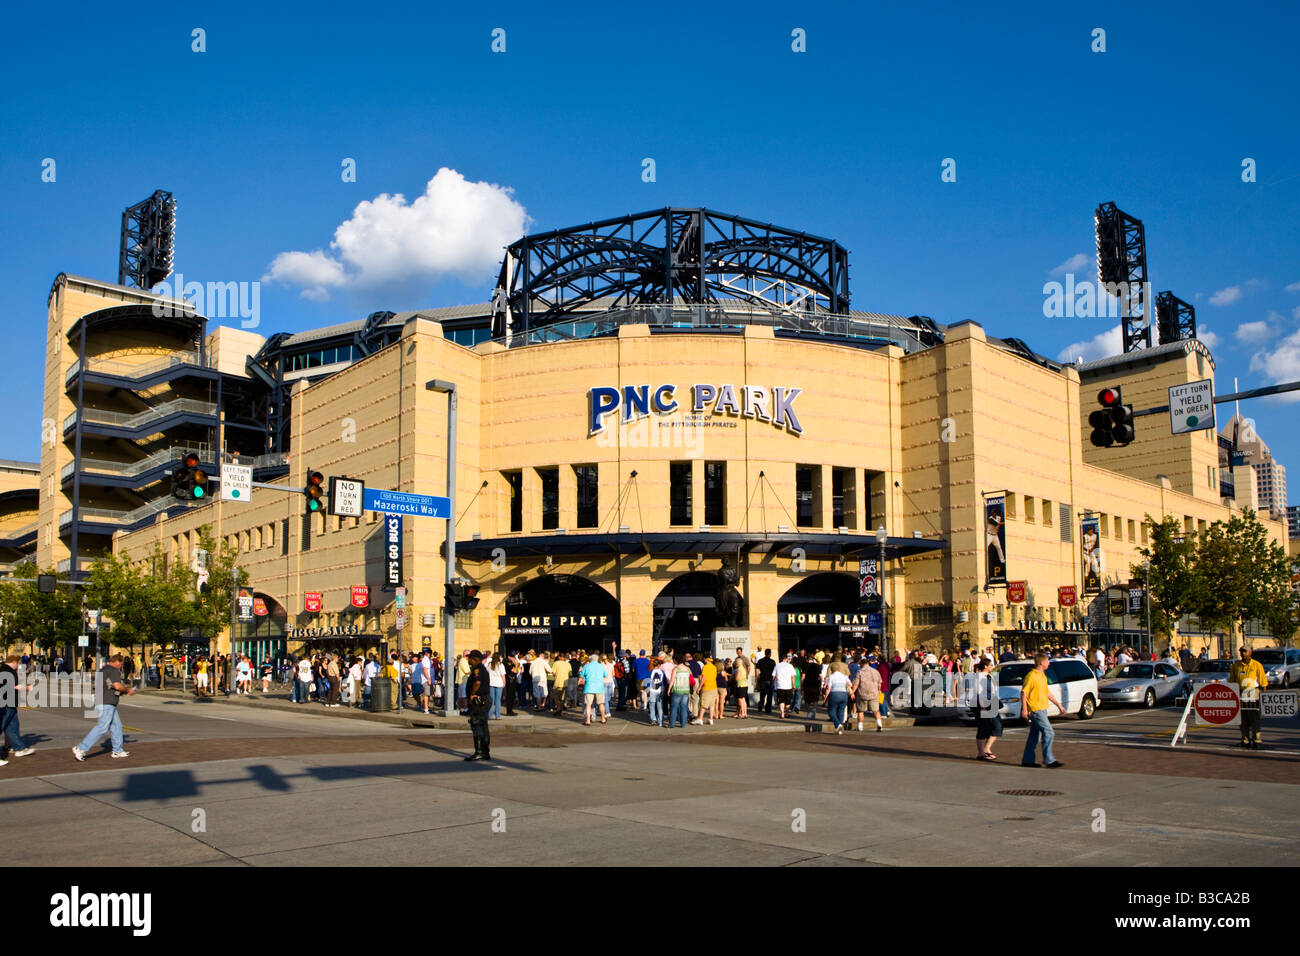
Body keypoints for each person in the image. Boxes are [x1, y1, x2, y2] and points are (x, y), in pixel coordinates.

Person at [73, 653, 136, 761]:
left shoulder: (103, 670)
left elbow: (107, 687)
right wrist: (128, 690)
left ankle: (118, 750)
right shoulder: (113, 670)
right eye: (121, 664)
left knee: (116, 726)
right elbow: (117, 686)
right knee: (102, 727)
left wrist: (120, 692)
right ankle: (80, 748)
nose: (121, 667)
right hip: (107, 703)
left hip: (102, 701)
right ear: (117, 662)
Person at [1020, 652, 1064, 768]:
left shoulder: (1042, 676)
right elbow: (1024, 692)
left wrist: (1058, 705)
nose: (1049, 663)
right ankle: (1049, 760)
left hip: (1042, 709)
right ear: (1041, 663)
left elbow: (1047, 692)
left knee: (1034, 735)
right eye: (1047, 661)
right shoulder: (1031, 676)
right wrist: (1024, 709)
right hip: (1035, 709)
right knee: (1049, 732)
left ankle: (1027, 760)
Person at [1229, 645, 1268, 749]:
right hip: (1240, 693)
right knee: (1242, 719)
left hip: (1253, 693)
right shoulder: (1236, 665)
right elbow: (1232, 681)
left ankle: (1256, 740)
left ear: (1250, 652)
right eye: (1241, 651)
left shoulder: (1256, 665)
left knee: (1254, 718)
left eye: (1245, 651)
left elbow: (1263, 682)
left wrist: (1264, 695)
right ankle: (1245, 740)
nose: (1243, 653)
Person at [0, 653, 36, 764]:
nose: (18, 665)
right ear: (14, 662)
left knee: (12, 726)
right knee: (4, 725)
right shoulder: (6, 671)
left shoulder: (6, 670)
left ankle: (18, 748)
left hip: (10, 704)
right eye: (18, 663)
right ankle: (17, 748)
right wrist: (22, 687)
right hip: (6, 704)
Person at [463, 650, 492, 761]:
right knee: (483, 725)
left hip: (479, 700)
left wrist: (472, 694)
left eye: (470, 659)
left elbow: (477, 683)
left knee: (477, 725)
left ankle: (479, 751)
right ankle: (485, 752)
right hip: (484, 699)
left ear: (474, 659)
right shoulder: (482, 668)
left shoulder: (477, 669)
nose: (469, 661)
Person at [973, 659, 1001, 760]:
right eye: (991, 665)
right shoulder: (979, 677)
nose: (992, 667)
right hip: (981, 704)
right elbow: (979, 693)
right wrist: (983, 707)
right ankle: (981, 753)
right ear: (985, 666)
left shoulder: (989, 676)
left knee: (997, 726)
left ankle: (987, 749)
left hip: (991, 703)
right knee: (983, 727)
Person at [851, 657, 883, 732]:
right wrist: (879, 691)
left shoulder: (859, 672)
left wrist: (852, 692)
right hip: (874, 694)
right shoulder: (875, 671)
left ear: (861, 663)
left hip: (862, 694)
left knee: (860, 711)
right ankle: (879, 724)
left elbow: (856, 684)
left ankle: (860, 726)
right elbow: (879, 683)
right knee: (876, 710)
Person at [580, 653, 608, 726]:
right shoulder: (601, 666)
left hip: (589, 687)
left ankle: (588, 720)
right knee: (601, 704)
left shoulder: (586, 666)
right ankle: (603, 719)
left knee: (588, 704)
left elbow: (581, 675)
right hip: (599, 687)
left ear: (591, 659)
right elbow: (605, 675)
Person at [667, 653, 694, 728]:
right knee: (684, 707)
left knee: (674, 707)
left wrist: (669, 689)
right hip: (685, 690)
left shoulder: (676, 669)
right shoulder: (688, 669)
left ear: (676, 660)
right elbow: (691, 679)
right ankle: (683, 724)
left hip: (677, 690)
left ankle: (672, 724)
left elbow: (672, 681)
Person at [825, 661, 852, 733]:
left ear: (832, 669)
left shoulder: (831, 676)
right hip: (844, 694)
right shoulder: (844, 676)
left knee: (831, 711)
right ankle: (839, 729)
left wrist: (826, 696)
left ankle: (838, 724)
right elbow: (850, 684)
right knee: (841, 711)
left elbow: (829, 687)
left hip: (834, 694)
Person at [773, 654, 796, 719]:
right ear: (786, 659)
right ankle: (787, 713)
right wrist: (793, 685)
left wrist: (773, 684)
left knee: (781, 700)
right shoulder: (790, 666)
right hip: (788, 686)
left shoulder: (777, 665)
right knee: (788, 701)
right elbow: (793, 677)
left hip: (780, 686)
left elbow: (773, 676)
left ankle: (782, 714)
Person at [550, 652, 572, 716]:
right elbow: (570, 673)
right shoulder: (568, 664)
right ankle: (560, 711)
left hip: (557, 683)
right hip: (565, 683)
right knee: (562, 698)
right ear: (564, 658)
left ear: (559, 657)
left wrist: (557, 675)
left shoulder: (556, 663)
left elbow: (553, 672)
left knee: (556, 697)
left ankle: (558, 709)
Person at [756, 649, 776, 713]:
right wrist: (773, 682)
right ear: (770, 654)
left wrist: (757, 680)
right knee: (769, 696)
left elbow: (757, 672)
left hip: (762, 680)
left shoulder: (760, 661)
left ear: (765, 653)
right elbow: (774, 673)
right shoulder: (773, 662)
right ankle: (768, 709)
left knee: (762, 695)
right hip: (770, 680)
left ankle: (760, 706)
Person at [487, 652, 506, 719]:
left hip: (491, 683)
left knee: (491, 700)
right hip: (499, 683)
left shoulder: (489, 664)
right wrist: (504, 683)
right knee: (498, 700)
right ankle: (497, 715)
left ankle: (490, 715)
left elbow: (487, 673)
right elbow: (503, 675)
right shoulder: (501, 665)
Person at [732, 650, 750, 718]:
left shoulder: (739, 669)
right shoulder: (743, 669)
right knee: (743, 700)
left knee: (740, 700)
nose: (735, 663)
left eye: (736, 662)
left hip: (740, 685)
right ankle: (745, 713)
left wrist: (734, 677)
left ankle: (742, 713)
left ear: (739, 663)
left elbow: (737, 678)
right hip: (745, 685)